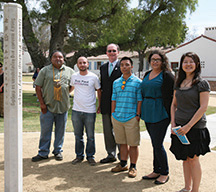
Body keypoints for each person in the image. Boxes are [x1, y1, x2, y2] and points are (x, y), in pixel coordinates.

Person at [170, 52, 211, 192]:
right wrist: (173, 124)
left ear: (197, 64)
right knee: (185, 159)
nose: (188, 64)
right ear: (181, 65)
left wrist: (188, 126)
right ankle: (187, 187)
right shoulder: (178, 82)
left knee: (193, 159)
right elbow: (173, 104)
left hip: (195, 127)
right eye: (185, 62)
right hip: (180, 127)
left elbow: (203, 107)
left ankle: (195, 190)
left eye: (191, 62)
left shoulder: (201, 83)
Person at [32, 51, 74, 162]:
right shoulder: (45, 71)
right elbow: (38, 87)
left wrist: (65, 93)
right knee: (46, 131)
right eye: (55, 57)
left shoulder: (70, 71)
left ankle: (58, 151)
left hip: (63, 107)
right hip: (48, 107)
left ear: (63, 59)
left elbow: (72, 86)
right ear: (51, 59)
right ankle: (43, 152)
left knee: (60, 131)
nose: (58, 59)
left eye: (60, 57)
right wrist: (42, 104)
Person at [140, 50, 174, 184]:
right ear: (149, 61)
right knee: (155, 143)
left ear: (162, 61)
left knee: (157, 143)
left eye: (158, 59)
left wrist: (173, 116)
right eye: (153, 59)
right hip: (148, 111)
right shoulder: (147, 74)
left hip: (161, 112)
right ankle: (156, 170)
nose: (155, 62)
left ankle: (164, 172)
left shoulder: (167, 75)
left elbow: (173, 97)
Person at [110, 57, 142, 178]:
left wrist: (137, 115)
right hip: (118, 117)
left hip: (131, 117)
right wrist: (113, 113)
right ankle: (123, 164)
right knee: (122, 143)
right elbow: (114, 98)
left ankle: (133, 166)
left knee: (133, 144)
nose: (124, 67)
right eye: (122, 65)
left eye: (127, 65)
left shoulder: (138, 82)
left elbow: (139, 100)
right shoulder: (116, 82)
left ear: (131, 66)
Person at [70, 57, 101, 166]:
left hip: (89, 110)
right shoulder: (74, 76)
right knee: (78, 135)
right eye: (80, 63)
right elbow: (71, 88)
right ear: (77, 65)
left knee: (90, 136)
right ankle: (79, 156)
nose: (82, 64)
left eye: (84, 63)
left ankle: (90, 156)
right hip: (76, 111)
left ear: (88, 64)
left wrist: (100, 105)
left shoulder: (94, 77)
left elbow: (99, 90)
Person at [97, 43, 122, 163]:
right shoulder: (103, 67)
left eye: (114, 51)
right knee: (107, 131)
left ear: (118, 52)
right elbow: (102, 87)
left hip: (119, 105)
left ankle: (122, 155)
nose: (111, 53)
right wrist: (100, 104)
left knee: (119, 130)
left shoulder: (123, 66)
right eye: (109, 51)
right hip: (106, 104)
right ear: (106, 53)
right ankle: (111, 154)